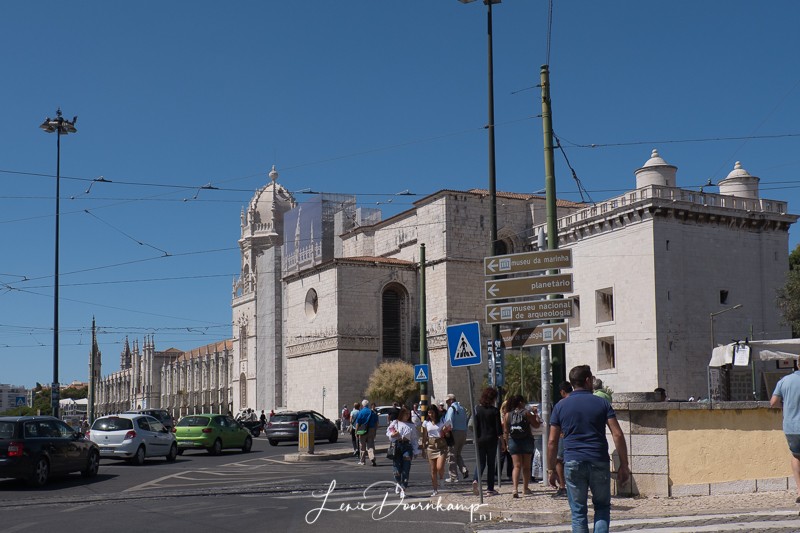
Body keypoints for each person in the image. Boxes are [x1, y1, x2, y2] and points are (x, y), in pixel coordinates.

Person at [548, 365, 630, 533]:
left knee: (578, 512)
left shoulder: (560, 406)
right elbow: (618, 435)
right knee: (602, 507)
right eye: (591, 379)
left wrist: (551, 469)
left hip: (572, 461)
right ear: (587, 380)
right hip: (598, 459)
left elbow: (551, 441)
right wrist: (624, 464)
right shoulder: (602, 403)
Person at [770, 361, 800, 503]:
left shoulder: (784, 381)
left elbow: (773, 402)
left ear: (798, 365)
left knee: (796, 456)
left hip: (791, 426)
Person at [503, 394, 541, 498]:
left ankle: (515, 489)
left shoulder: (507, 415)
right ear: (520, 402)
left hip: (513, 441)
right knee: (526, 467)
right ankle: (525, 488)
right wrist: (535, 414)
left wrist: (506, 443)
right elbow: (536, 425)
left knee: (516, 466)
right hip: (526, 441)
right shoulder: (527, 413)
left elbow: (506, 431)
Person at [471, 387, 503, 496]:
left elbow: (474, 426)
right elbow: (499, 430)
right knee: (491, 464)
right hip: (491, 440)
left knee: (480, 463)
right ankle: (490, 489)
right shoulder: (494, 411)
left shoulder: (477, 409)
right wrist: (503, 443)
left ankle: (476, 480)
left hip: (480, 439)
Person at [386, 406, 420, 498]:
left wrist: (416, 450)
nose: (407, 415)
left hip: (407, 447)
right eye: (406, 413)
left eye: (409, 414)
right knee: (397, 470)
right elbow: (388, 433)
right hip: (397, 446)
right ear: (402, 414)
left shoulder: (412, 425)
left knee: (406, 469)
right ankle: (399, 483)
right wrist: (393, 435)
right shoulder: (395, 422)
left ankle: (403, 488)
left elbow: (414, 439)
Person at [421, 403, 451, 496]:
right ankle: (435, 489)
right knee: (433, 469)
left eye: (432, 412)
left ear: (436, 412)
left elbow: (448, 435)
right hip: (431, 446)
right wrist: (423, 448)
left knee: (439, 467)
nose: (431, 415)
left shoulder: (442, 421)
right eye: (429, 413)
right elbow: (424, 436)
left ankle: (441, 477)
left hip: (441, 445)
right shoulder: (426, 423)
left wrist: (446, 432)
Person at [552, 380, 573, 499]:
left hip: (563, 435)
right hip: (576, 437)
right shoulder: (578, 402)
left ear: (562, 392)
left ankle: (562, 486)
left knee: (559, 460)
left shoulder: (560, 404)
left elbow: (556, 424)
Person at [444, 393, 469, 482]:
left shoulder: (451, 409)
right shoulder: (462, 408)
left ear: (451, 400)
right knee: (457, 454)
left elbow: (448, 422)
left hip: (454, 433)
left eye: (447, 401)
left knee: (451, 455)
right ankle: (464, 469)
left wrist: (446, 433)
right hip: (463, 433)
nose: (447, 403)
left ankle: (453, 476)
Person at [354, 399, 379, 466]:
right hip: (371, 429)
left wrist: (356, 432)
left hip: (362, 430)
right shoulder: (372, 412)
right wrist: (375, 431)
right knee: (370, 445)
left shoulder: (361, 412)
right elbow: (376, 423)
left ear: (363, 405)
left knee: (362, 446)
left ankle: (362, 461)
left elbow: (358, 423)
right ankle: (372, 457)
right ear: (368, 405)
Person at [498, 399, 513, 481]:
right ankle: (497, 473)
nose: (506, 409)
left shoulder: (510, 415)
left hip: (509, 436)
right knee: (501, 456)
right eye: (505, 407)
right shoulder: (500, 416)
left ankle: (509, 474)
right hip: (502, 437)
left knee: (510, 456)